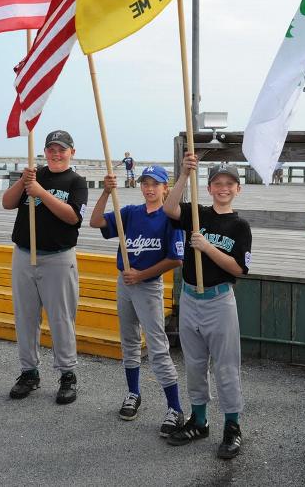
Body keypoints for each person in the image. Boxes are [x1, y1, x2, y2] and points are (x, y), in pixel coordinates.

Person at [163, 155, 252, 460]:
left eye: (229, 184)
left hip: (219, 300)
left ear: (237, 189)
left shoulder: (240, 226)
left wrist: (207, 248)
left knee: (226, 367)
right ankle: (199, 421)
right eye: (217, 183)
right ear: (209, 187)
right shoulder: (196, 214)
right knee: (195, 364)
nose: (223, 188)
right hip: (190, 297)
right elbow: (169, 208)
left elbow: (240, 269)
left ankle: (232, 425)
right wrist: (185, 175)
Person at [89, 165, 185, 436]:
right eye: (145, 183)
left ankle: (175, 407)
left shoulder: (170, 217)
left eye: (156, 184)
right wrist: (106, 193)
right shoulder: (131, 213)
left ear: (166, 188)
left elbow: (176, 258)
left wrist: (142, 274)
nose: (150, 188)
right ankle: (133, 393)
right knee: (129, 340)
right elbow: (95, 222)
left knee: (157, 346)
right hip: (125, 282)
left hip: (148, 285)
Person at [3, 130, 88, 404]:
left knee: (61, 318)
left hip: (58, 257)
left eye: (62, 149)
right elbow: (6, 203)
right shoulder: (34, 174)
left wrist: (40, 192)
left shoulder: (77, 181)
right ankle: (29, 371)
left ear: (71, 151)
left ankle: (67, 374)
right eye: (51, 149)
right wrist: (24, 182)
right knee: (25, 317)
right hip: (24, 254)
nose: (56, 154)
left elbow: (73, 217)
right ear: (44, 151)